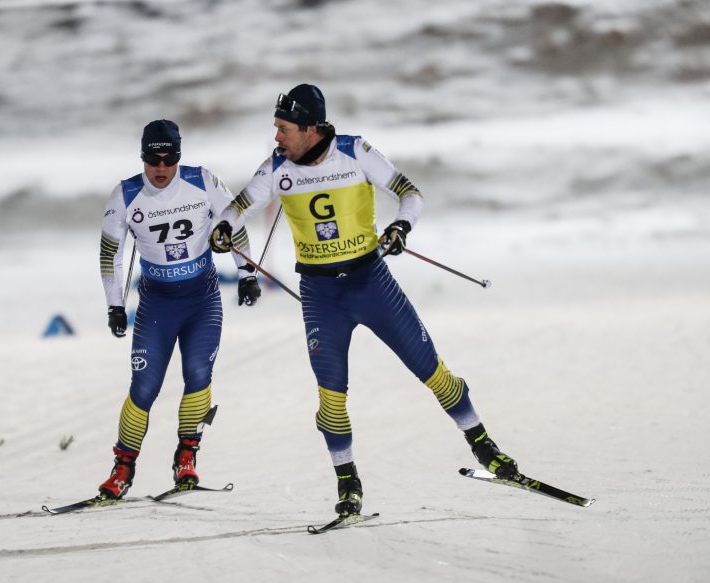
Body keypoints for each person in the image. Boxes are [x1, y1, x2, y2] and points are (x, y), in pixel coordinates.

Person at [209, 84, 517, 516]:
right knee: (331, 397)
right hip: (321, 295)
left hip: (370, 283)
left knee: (431, 370)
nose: (276, 137)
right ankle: (348, 483)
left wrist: (400, 228)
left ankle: (484, 446)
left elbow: (411, 194)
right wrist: (222, 229)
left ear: (310, 128)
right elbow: (237, 207)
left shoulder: (355, 151)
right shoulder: (276, 166)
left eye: (283, 128)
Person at [97, 119, 261, 498]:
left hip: (202, 299)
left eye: (168, 159)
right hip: (157, 302)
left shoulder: (202, 181)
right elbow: (111, 255)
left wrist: (246, 273)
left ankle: (186, 458)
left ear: (178, 157)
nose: (160, 168)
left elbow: (233, 223)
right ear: (142, 158)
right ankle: (123, 468)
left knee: (198, 374)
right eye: (152, 159)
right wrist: (115, 306)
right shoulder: (125, 195)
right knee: (144, 387)